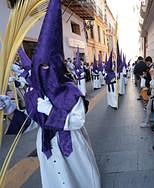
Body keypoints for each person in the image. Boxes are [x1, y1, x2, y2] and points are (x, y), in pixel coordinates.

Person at [6, 0, 101, 187]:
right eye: (39, 67)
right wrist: (10, 110)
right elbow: (31, 122)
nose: (44, 72)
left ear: (57, 67)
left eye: (48, 66)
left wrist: (51, 110)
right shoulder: (36, 93)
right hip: (47, 147)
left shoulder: (70, 92)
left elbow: (78, 120)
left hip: (72, 145)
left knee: (79, 179)